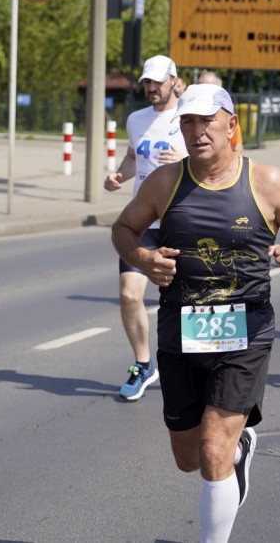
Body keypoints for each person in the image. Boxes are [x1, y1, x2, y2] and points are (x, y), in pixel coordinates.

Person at [112, 84, 280, 543]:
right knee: (188, 456)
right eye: (187, 121)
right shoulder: (164, 182)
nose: (197, 130)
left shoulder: (266, 181)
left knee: (212, 449)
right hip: (180, 333)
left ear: (232, 124)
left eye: (207, 120)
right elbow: (124, 229)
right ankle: (242, 447)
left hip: (245, 331)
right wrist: (143, 259)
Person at [104, 55, 185, 401]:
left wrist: (184, 163)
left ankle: (195, 368)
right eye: (146, 82)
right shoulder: (136, 119)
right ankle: (143, 364)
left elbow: (219, 159)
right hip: (144, 220)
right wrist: (119, 175)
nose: (150, 88)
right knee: (129, 294)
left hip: (183, 220)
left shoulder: (190, 117)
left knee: (187, 303)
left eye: (156, 82)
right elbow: (133, 156)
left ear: (173, 80)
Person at [199, 71, 244, 155]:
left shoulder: (227, 119)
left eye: (209, 88)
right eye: (199, 87)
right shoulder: (184, 116)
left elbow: (238, 151)